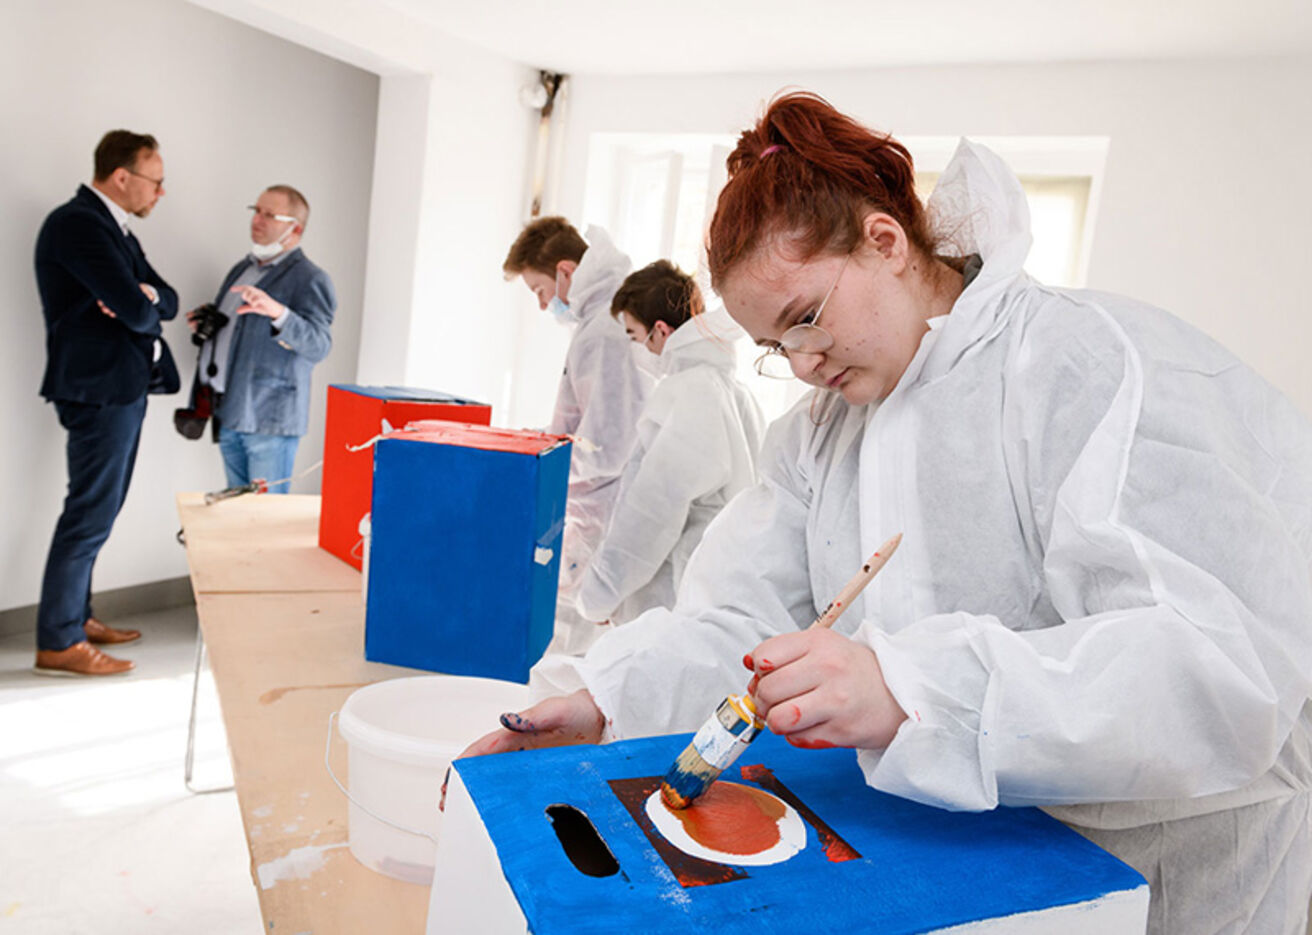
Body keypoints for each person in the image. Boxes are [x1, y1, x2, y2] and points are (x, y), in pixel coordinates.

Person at [468, 93, 1312, 934]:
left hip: (1163, 869)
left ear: (885, 240)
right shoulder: (823, 432)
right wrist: (605, 693)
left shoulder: (1085, 368)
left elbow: (1217, 667)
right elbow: (746, 623)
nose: (803, 363)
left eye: (806, 319)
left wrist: (912, 690)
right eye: (776, 347)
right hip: (958, 862)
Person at [33, 130, 180, 676]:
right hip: (98, 390)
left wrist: (144, 296)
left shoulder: (113, 228)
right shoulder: (77, 224)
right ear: (122, 177)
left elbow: (165, 299)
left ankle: (77, 616)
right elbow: (140, 313)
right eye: (155, 181)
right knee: (89, 513)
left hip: (120, 388)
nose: (160, 192)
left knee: (101, 509)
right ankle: (59, 641)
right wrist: (140, 302)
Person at [576, 260, 765, 625]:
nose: (638, 350)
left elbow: (650, 515)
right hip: (713, 592)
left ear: (660, 331)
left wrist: (598, 597)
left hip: (675, 596)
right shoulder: (732, 391)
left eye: (635, 337)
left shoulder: (689, 393)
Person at [503, 217, 652, 654]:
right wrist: (542, 441)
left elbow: (607, 445)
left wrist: (544, 464)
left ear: (565, 271)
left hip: (600, 512)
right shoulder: (599, 324)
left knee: (573, 646)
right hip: (594, 507)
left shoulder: (603, 331)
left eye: (540, 290)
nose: (542, 304)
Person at [187, 185, 335, 493]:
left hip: (270, 420)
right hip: (230, 412)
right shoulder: (242, 270)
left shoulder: (311, 278)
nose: (257, 219)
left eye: (270, 214)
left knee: (267, 515)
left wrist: (279, 313)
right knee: (236, 513)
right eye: (256, 211)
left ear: (296, 228)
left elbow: (319, 345)